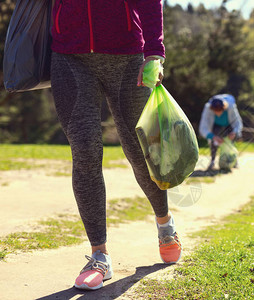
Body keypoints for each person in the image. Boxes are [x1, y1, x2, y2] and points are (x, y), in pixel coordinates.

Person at [49, 0, 181, 290]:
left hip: (127, 56)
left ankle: (165, 223)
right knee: (84, 150)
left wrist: (154, 52)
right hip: (69, 55)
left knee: (140, 151)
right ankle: (99, 255)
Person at [199, 94, 243, 170]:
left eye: (220, 110)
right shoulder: (208, 109)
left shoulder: (231, 107)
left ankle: (233, 160)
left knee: (231, 141)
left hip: (229, 126)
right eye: (216, 110)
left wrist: (234, 132)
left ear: (224, 107)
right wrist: (213, 137)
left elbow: (238, 123)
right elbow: (203, 128)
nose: (218, 112)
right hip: (216, 126)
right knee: (214, 142)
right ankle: (212, 161)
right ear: (212, 109)